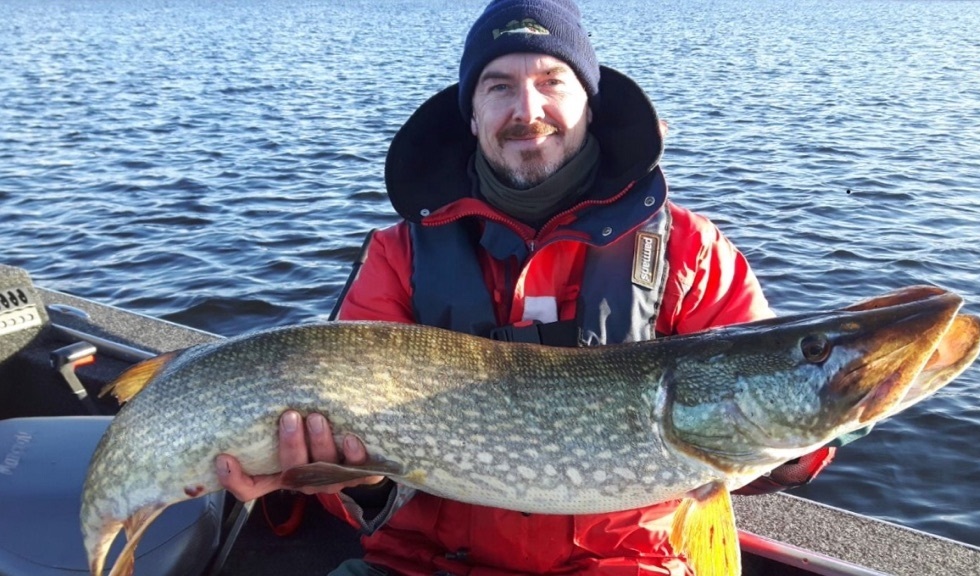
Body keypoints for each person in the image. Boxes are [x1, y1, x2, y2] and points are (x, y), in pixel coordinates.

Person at [216, 0, 841, 573]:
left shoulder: (689, 251)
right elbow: (357, 494)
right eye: (499, 87)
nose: (527, 111)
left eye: (551, 82)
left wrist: (818, 431)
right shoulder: (397, 255)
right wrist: (351, 479)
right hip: (422, 565)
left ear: (589, 104)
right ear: (472, 114)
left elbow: (766, 415)